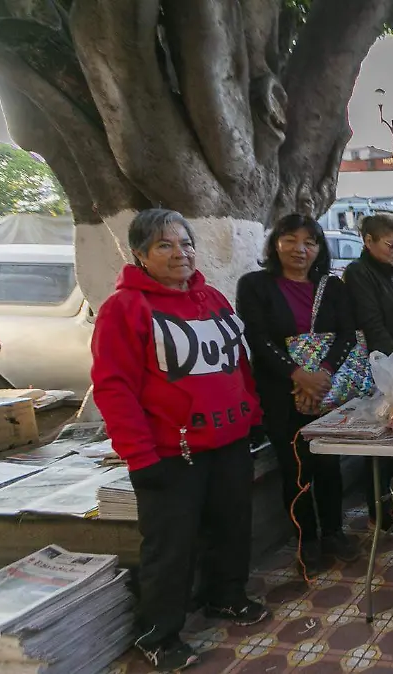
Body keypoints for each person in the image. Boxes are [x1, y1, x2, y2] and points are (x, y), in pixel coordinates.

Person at [91, 209, 267, 671]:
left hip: (229, 441)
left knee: (231, 525)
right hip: (173, 453)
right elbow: (114, 388)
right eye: (165, 245)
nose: (180, 253)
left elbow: (236, 363)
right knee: (171, 545)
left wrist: (251, 412)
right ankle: (159, 632)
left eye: (185, 243)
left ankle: (226, 596)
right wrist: (138, 455)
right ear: (141, 255)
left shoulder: (211, 298)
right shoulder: (124, 309)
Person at [237, 214, 360, 575]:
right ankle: (306, 539)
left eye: (310, 241)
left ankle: (334, 532)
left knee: (328, 464)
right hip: (280, 392)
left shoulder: (332, 286)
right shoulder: (255, 286)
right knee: (295, 469)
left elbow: (347, 335)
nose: (300, 249)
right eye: (290, 239)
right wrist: (298, 375)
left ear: (319, 248)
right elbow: (257, 338)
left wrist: (321, 376)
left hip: (327, 390)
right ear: (276, 243)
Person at [343, 212, 393, 532]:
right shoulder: (358, 273)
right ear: (368, 241)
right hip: (381, 370)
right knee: (382, 444)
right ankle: (380, 511)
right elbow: (372, 324)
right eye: (392, 245)